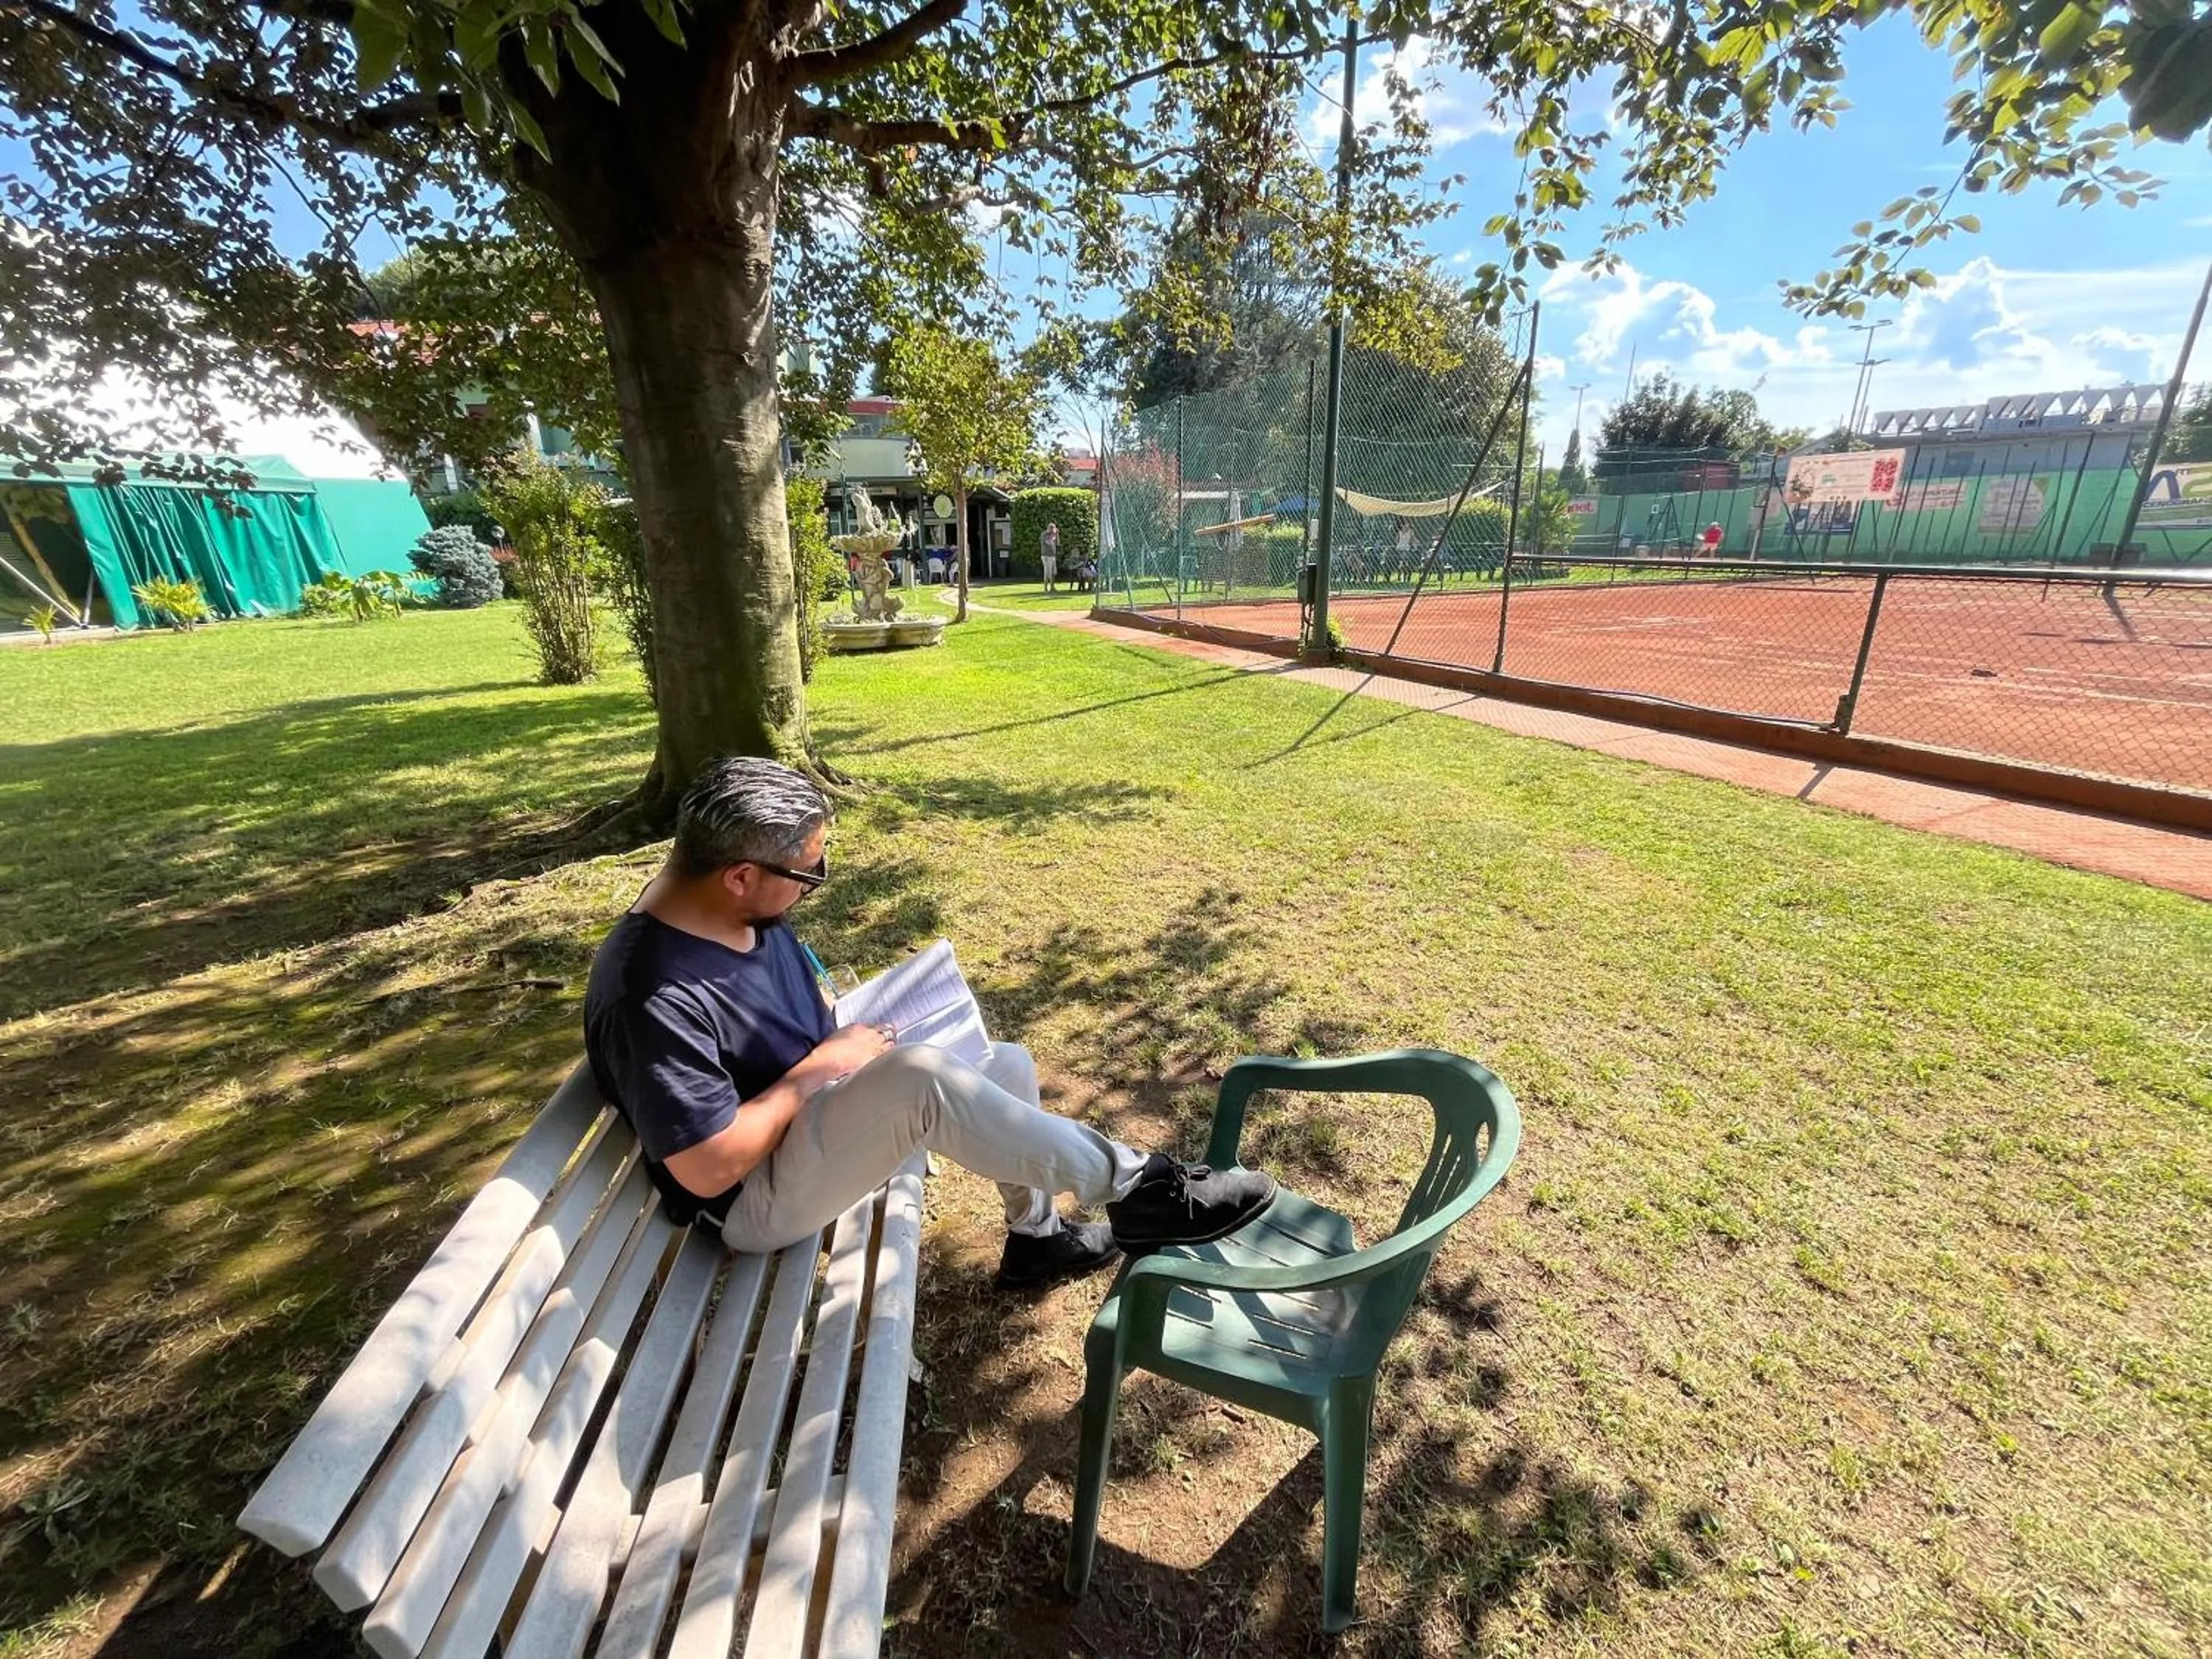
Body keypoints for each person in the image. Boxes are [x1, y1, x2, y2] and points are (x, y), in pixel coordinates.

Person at [584, 758, 1278, 1289]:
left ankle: (1037, 1240)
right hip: (750, 1202)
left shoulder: (733, 911)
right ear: (738, 875)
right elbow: (706, 1169)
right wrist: (820, 1070)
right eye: (807, 872)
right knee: (921, 1081)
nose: (813, 883)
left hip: (811, 1119)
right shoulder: (652, 994)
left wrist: (840, 1042)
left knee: (1005, 1064)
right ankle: (1146, 1189)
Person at [1040, 520, 1061, 592]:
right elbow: (1048, 542)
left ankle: (1052, 587)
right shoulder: (1044, 534)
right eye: (1052, 529)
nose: (1053, 530)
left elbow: (1058, 544)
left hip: (1052, 556)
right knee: (1047, 572)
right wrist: (1053, 535)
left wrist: (1057, 535)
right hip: (1046, 556)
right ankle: (1046, 588)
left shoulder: (1054, 535)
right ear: (1049, 528)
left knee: (1053, 572)